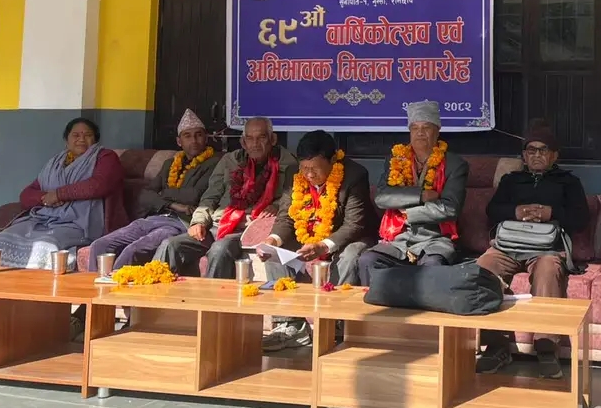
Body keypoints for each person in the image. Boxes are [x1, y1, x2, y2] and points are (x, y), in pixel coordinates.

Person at [474, 121, 589, 379]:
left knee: (548, 271)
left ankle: (546, 348)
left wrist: (551, 213)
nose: (536, 155)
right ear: (524, 156)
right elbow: (491, 211)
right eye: (531, 150)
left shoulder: (568, 182)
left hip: (546, 248)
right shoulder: (511, 180)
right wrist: (515, 211)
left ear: (554, 156)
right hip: (508, 246)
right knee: (484, 267)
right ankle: (496, 346)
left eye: (543, 150)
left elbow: (581, 219)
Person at [257, 129, 377, 351]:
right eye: (305, 168)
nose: (309, 175)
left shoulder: (354, 175)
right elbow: (286, 217)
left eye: (315, 168)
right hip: (308, 234)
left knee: (350, 256)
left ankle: (337, 324)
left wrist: (323, 246)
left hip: (349, 237)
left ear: (332, 161)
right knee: (274, 254)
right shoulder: (294, 173)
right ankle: (290, 326)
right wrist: (273, 240)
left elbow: (354, 225)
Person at [155, 117, 297, 278]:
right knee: (170, 245)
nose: (255, 144)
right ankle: (151, 290)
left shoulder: (288, 163)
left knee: (219, 249)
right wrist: (199, 221)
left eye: (261, 137)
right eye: (250, 138)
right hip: (217, 224)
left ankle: (213, 295)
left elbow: (290, 198)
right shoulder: (230, 160)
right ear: (243, 142)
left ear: (273, 139)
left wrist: (276, 205)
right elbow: (211, 196)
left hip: (247, 229)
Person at [86, 109, 221, 272]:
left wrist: (163, 193)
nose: (194, 140)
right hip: (154, 217)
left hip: (180, 223)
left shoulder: (216, 163)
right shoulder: (170, 163)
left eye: (198, 135)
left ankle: (116, 285)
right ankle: (92, 287)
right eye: (187, 136)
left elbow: (194, 195)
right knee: (100, 245)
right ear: (179, 141)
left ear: (206, 138)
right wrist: (173, 205)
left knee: (133, 251)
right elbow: (145, 195)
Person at [357, 100, 469, 285]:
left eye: (426, 127)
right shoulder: (396, 160)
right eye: (415, 128)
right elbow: (382, 198)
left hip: (435, 240)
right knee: (368, 260)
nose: (420, 132)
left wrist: (408, 214)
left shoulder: (455, 165)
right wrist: (421, 195)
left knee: (433, 265)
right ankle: (376, 303)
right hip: (398, 240)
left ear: (437, 131)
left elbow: (449, 208)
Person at [0, 117, 125, 270]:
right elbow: (26, 195)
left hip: (80, 223)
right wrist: (45, 198)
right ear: (67, 140)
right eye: (76, 135)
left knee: (44, 245)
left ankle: (37, 285)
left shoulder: (106, 157)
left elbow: (99, 185)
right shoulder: (55, 163)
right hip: (45, 219)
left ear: (95, 140)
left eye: (88, 135)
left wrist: (59, 194)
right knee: (1, 239)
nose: (81, 139)